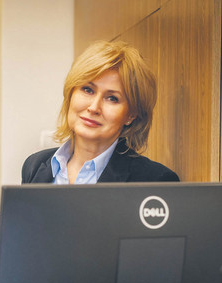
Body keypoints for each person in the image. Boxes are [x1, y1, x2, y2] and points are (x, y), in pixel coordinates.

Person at [22, 40, 179, 184]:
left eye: (112, 98)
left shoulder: (154, 180)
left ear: (131, 114)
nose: (94, 108)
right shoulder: (34, 166)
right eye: (87, 90)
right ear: (70, 94)